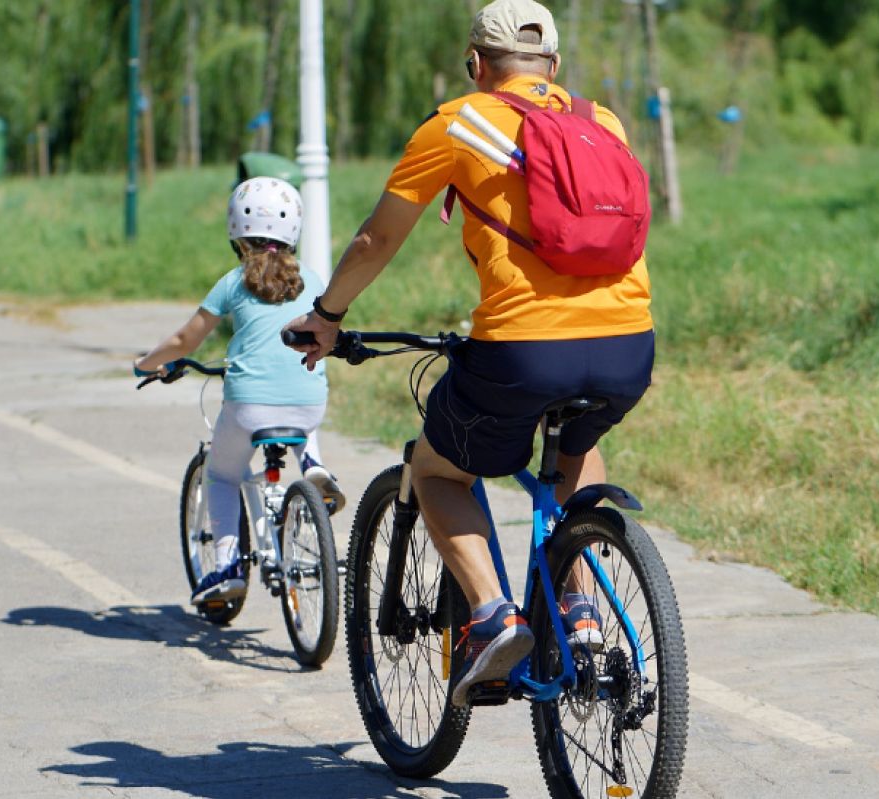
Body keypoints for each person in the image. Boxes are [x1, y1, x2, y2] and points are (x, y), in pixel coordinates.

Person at [286, 0, 654, 707]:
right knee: (576, 437)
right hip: (629, 343)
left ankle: (490, 617)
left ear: (477, 66)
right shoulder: (602, 121)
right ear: (553, 66)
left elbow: (377, 239)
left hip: (523, 348)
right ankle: (578, 612)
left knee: (437, 468)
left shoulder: (459, 121)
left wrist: (328, 315)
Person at [136, 177, 346, 606]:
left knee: (221, 474)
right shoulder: (313, 277)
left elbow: (184, 341)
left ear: (236, 230)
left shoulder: (234, 282)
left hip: (249, 405)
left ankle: (229, 566)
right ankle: (313, 465)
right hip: (309, 402)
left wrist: (146, 363)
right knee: (300, 403)